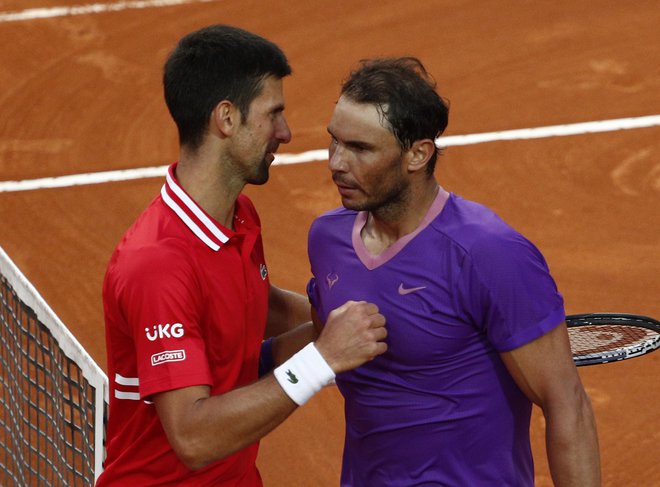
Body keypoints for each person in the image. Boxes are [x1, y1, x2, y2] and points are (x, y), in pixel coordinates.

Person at [96, 25, 387, 486]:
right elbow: (194, 438)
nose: (286, 133)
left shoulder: (239, 217)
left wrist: (349, 316)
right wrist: (323, 358)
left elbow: (254, 304)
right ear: (226, 119)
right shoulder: (157, 264)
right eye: (273, 114)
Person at [306, 57, 601, 486]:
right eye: (334, 141)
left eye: (360, 148)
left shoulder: (488, 253)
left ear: (418, 154)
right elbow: (323, 335)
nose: (336, 162)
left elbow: (566, 405)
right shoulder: (327, 238)